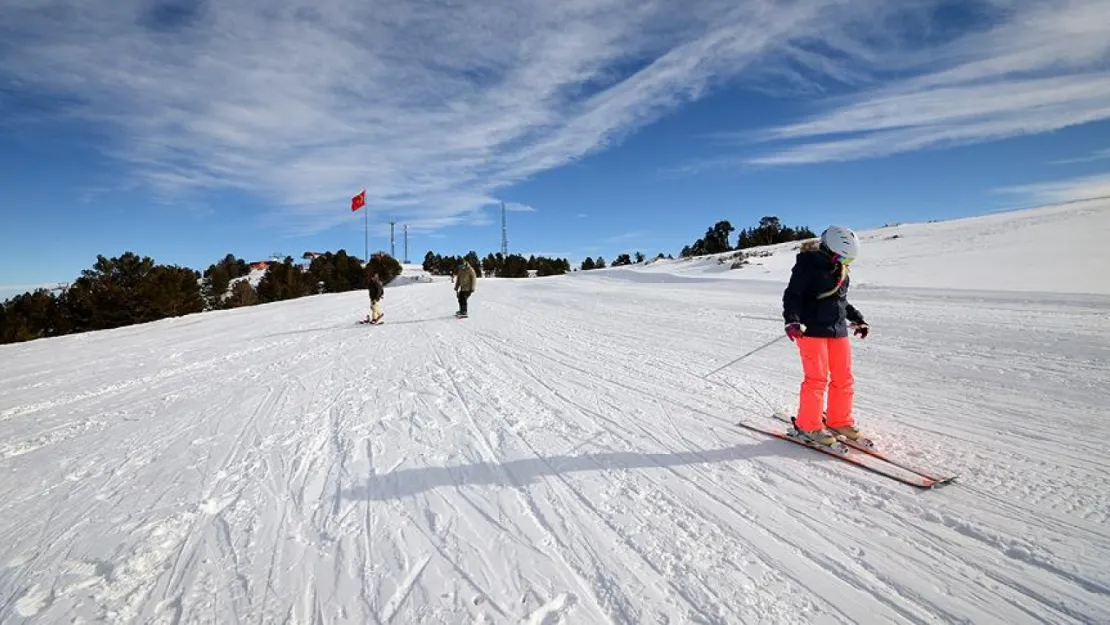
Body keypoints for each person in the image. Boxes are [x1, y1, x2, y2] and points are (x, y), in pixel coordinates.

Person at [781, 225, 870, 447]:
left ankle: (839, 421)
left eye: (848, 261)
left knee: (843, 378)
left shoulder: (840, 269)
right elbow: (793, 295)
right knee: (816, 379)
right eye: (843, 258)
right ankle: (808, 425)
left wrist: (858, 318)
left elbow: (840, 300)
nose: (845, 264)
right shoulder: (807, 265)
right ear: (831, 249)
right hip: (812, 330)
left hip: (838, 330)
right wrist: (792, 320)